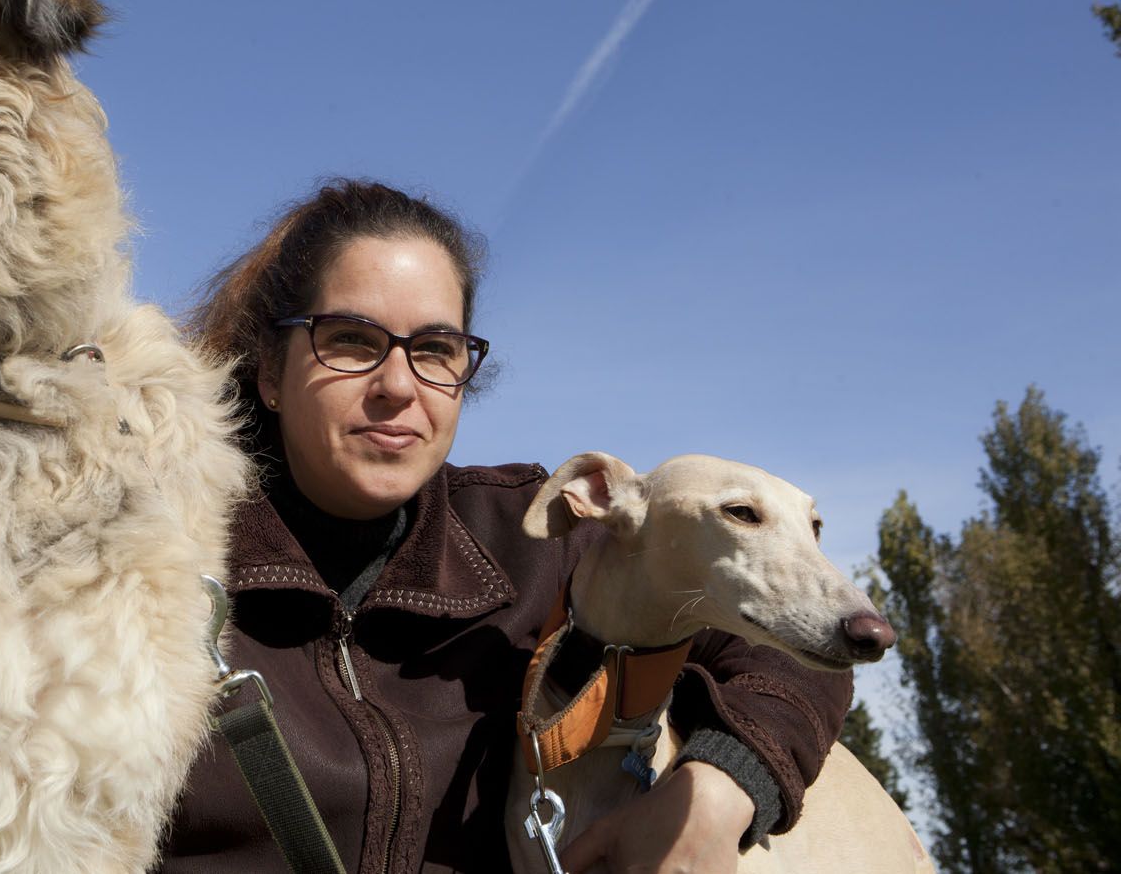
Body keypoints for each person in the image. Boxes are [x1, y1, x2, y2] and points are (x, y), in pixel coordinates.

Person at [158, 180, 851, 873]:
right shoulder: (149, 563)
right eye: (350, 339)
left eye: (434, 349)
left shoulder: (539, 540)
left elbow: (793, 641)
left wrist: (722, 783)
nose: (397, 384)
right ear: (271, 371)